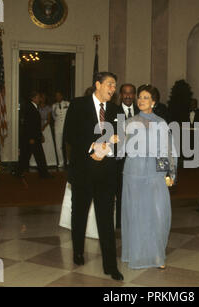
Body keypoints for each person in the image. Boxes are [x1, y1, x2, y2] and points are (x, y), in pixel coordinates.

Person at [64, 72, 123, 281]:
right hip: (83, 171)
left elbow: (121, 140)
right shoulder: (78, 105)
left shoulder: (116, 110)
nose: (113, 89)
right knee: (79, 214)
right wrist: (93, 147)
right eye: (110, 84)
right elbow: (70, 136)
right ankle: (78, 251)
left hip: (106, 174)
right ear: (97, 84)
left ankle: (110, 265)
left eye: (115, 85)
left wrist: (112, 144)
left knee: (106, 219)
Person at [121, 84, 177, 270]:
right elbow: (122, 148)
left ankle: (156, 255)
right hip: (134, 172)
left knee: (158, 214)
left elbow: (167, 149)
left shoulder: (160, 122)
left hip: (154, 173)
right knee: (136, 214)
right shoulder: (129, 122)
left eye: (146, 97)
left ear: (154, 101)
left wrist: (170, 173)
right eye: (140, 97)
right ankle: (136, 254)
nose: (141, 100)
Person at [115, 83, 139, 229]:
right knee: (120, 193)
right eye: (125, 93)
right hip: (119, 162)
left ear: (134, 95)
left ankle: (136, 221)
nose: (128, 96)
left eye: (131, 93)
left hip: (138, 161)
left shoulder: (141, 112)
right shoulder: (113, 112)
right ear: (121, 95)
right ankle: (120, 222)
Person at [16, 91, 51, 178]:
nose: (40, 99)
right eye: (38, 97)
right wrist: (31, 138)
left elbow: (35, 125)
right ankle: (44, 174)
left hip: (34, 136)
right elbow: (29, 125)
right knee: (36, 156)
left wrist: (40, 135)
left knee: (27, 155)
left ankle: (19, 172)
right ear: (33, 98)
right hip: (32, 137)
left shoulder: (33, 107)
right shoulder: (30, 108)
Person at [31, 93, 57, 167]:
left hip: (46, 126)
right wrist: (39, 127)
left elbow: (49, 120)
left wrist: (43, 127)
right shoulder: (37, 107)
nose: (43, 99)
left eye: (44, 98)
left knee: (47, 144)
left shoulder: (48, 108)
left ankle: (50, 162)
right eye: (42, 98)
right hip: (38, 126)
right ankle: (35, 162)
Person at [52, 91, 70, 168]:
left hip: (66, 127)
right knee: (58, 145)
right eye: (56, 96)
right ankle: (61, 162)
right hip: (57, 127)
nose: (58, 97)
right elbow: (54, 117)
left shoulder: (67, 103)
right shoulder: (54, 106)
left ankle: (69, 161)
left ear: (62, 96)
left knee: (68, 144)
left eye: (59, 95)